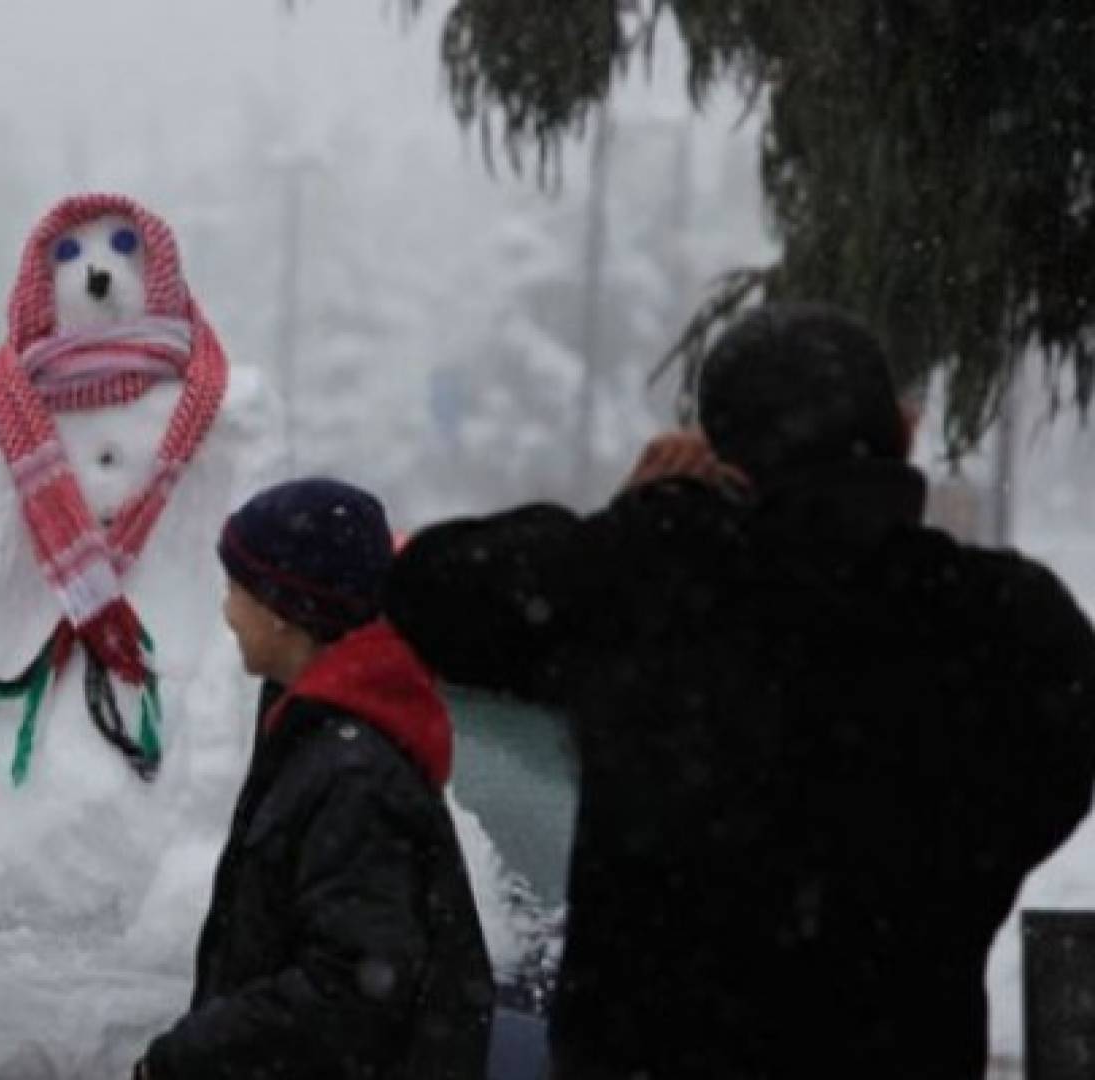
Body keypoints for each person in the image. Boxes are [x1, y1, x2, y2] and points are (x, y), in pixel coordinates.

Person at [385, 302, 1095, 1078]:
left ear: (720, 451)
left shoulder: (651, 584)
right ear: (904, 431)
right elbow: (1054, 781)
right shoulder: (1003, 623)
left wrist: (634, 516)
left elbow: (430, 591)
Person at [135, 478, 494, 1080]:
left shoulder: (353, 773)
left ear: (282, 613)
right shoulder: (318, 734)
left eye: (236, 589)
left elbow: (352, 988)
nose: (226, 613)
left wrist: (189, 1057)